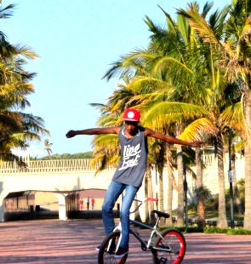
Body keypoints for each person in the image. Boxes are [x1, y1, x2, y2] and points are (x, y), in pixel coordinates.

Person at [66, 108, 203, 255]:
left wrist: (189, 144)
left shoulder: (144, 132)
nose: (130, 127)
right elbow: (98, 131)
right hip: (119, 176)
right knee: (106, 207)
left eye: (133, 124)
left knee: (124, 211)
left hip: (134, 179)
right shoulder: (119, 130)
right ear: (124, 122)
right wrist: (77, 132)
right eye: (128, 123)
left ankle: (124, 246)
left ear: (137, 123)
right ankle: (111, 242)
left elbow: (166, 138)